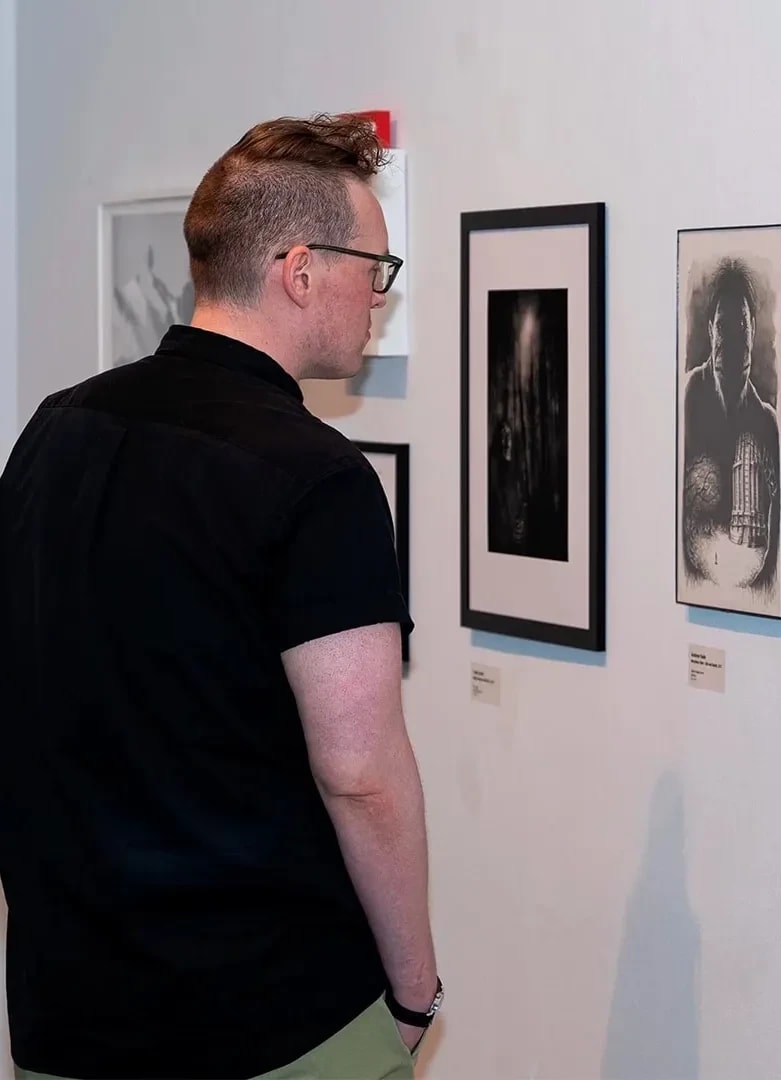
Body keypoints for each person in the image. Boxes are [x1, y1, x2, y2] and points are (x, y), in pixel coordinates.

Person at [0, 113, 442, 1080]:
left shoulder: (54, 430)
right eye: (376, 265)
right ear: (300, 269)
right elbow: (360, 772)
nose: (379, 294)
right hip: (270, 1022)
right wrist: (414, 993)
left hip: (68, 1013)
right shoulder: (315, 479)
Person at [681, 257, 780, 595]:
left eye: (741, 325)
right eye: (724, 325)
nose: (733, 338)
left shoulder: (767, 423)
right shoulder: (687, 396)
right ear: (710, 329)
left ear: (753, 328)